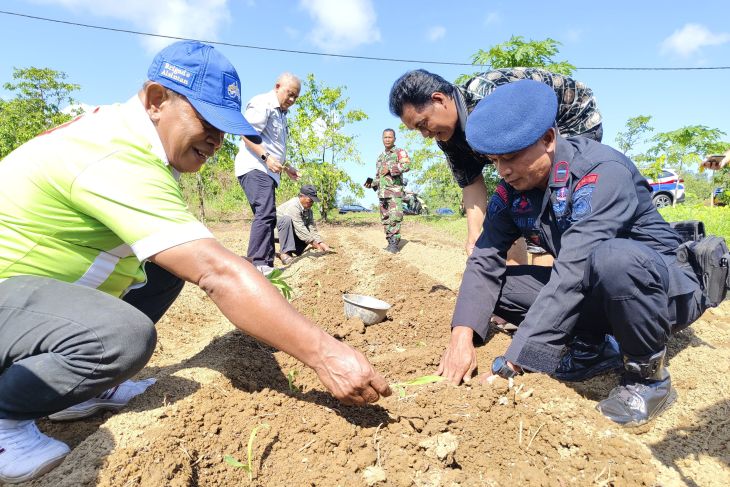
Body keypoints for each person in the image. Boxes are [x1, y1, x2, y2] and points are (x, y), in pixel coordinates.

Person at [0, 41, 390, 484]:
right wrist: (325, 354)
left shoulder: (132, 144)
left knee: (166, 267)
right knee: (122, 336)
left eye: (223, 128)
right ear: (155, 101)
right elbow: (216, 271)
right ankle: (4, 420)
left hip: (26, 296)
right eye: (205, 121)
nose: (216, 140)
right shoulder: (116, 155)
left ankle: (78, 390)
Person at [437, 79, 707, 427]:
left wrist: (516, 361)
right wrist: (462, 336)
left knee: (613, 259)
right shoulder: (512, 192)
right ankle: (593, 349)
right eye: (494, 161)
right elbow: (485, 258)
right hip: (598, 285)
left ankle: (648, 379)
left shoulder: (601, 172)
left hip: (661, 289)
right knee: (499, 286)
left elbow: (575, 268)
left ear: (548, 139)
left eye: (511, 157)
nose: (502, 170)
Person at [388, 68, 603, 263]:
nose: (425, 134)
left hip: (573, 118)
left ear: (439, 100)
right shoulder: (447, 137)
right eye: (418, 130)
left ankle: (550, 284)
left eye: (423, 124)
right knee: (509, 206)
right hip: (533, 140)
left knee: (538, 201)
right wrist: (475, 235)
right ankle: (520, 279)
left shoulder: (488, 97)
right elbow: (470, 182)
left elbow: (529, 156)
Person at [235, 72, 301, 275]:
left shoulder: (281, 114)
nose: (291, 100)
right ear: (277, 86)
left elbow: (274, 146)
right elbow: (246, 133)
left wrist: (286, 167)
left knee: (268, 216)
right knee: (265, 212)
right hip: (255, 167)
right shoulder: (262, 102)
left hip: (268, 171)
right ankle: (257, 265)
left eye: (295, 98)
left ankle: (266, 263)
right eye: (289, 94)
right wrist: (266, 158)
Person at [366, 128, 411, 253]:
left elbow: (407, 165)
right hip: (382, 193)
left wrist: (391, 168)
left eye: (390, 137)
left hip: (394, 192)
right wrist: (371, 184)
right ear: (382, 139)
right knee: (385, 219)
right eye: (385, 137)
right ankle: (389, 241)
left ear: (394, 139)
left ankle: (394, 244)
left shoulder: (399, 152)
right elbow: (379, 177)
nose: (387, 139)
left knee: (395, 218)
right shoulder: (380, 157)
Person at [276, 184, 331, 264]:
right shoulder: (293, 206)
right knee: (287, 220)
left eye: (313, 201)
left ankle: (289, 252)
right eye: (310, 200)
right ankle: (285, 252)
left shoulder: (308, 210)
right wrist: (317, 246)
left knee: (306, 235)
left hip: (291, 232)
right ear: (301, 196)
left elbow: (312, 228)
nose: (311, 203)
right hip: (275, 232)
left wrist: (321, 243)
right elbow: (300, 228)